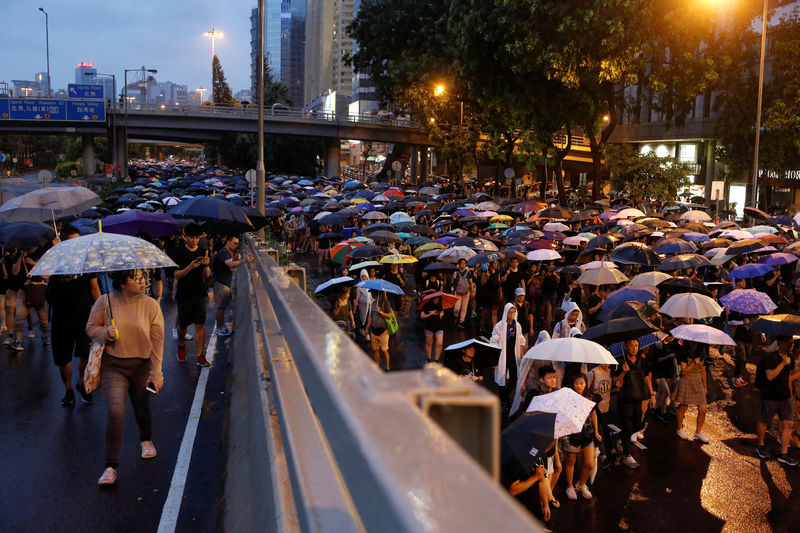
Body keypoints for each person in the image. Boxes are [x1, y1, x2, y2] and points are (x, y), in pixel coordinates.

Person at [86, 269, 164, 486]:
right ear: (122, 282)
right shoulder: (105, 301)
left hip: (142, 365)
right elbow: (91, 327)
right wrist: (105, 333)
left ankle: (146, 440)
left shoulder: (151, 305)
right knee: (115, 412)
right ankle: (110, 466)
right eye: (136, 278)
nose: (142, 282)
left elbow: (158, 341)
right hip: (114, 365)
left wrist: (156, 373)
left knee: (142, 408)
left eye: (143, 277)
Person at [47, 225, 101, 406]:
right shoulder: (54, 260)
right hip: (61, 317)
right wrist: (56, 252)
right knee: (63, 358)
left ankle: (80, 384)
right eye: (70, 241)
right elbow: (45, 277)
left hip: (85, 316)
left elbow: (94, 289)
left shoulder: (86, 261)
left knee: (85, 353)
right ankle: (68, 389)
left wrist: (103, 310)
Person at [755, 336, 799, 465]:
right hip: (771, 397)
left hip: (785, 397)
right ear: (780, 343)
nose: (791, 345)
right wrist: (783, 363)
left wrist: (790, 395)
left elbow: (789, 377)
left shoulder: (790, 359)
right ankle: (760, 445)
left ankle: (784, 453)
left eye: (792, 342)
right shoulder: (770, 358)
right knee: (764, 421)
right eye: (788, 342)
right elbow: (770, 376)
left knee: (789, 424)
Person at [613, 338, 655, 469]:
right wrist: (623, 372)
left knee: (637, 425)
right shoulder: (620, 361)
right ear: (626, 346)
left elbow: (646, 377)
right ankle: (627, 455)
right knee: (627, 426)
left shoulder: (642, 360)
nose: (634, 348)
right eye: (631, 346)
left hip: (638, 397)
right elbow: (616, 382)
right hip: (625, 398)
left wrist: (652, 394)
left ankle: (617, 435)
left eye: (636, 346)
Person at [173, 224, 211, 367]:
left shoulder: (203, 251)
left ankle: (200, 355)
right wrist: (190, 267)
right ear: (185, 237)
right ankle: (181, 344)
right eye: (192, 237)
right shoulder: (179, 252)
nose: (195, 240)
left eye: (197, 237)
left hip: (199, 293)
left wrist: (206, 265)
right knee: (183, 326)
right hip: (184, 294)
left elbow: (207, 275)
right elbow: (176, 275)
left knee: (200, 324)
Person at [563, 373, 600, 501]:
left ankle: (581, 484)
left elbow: (594, 414)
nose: (579, 386)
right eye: (576, 383)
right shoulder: (568, 398)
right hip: (572, 435)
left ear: (586, 384)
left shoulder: (590, 397)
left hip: (587, 434)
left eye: (581, 383)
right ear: (572, 385)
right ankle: (570, 486)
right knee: (570, 461)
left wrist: (596, 431)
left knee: (589, 463)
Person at [491, 303, 527, 410]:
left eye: (513, 312)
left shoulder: (517, 325)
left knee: (514, 377)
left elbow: (521, 340)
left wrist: (521, 354)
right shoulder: (499, 326)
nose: (511, 314)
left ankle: (504, 396)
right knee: (501, 378)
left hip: (513, 355)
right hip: (502, 356)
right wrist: (494, 359)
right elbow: (494, 341)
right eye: (509, 312)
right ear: (505, 313)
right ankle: (503, 401)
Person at [674, 341, 710, 443]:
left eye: (696, 343)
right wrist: (694, 363)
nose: (694, 345)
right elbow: (684, 372)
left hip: (698, 382)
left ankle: (698, 432)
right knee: (683, 407)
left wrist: (705, 387)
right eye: (692, 343)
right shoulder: (684, 354)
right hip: (687, 381)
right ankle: (679, 429)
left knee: (703, 409)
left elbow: (703, 372)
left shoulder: (702, 355)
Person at [212, 235, 247, 336]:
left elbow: (230, 265)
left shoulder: (227, 253)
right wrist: (244, 261)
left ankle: (220, 327)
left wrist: (235, 258)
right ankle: (219, 329)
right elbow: (230, 265)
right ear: (228, 242)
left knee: (221, 308)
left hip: (224, 283)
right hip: (221, 284)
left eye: (237, 243)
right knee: (220, 308)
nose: (236, 245)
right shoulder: (223, 253)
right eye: (234, 243)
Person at [366, 292, 392, 371]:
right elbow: (371, 317)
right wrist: (367, 328)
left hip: (383, 331)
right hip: (374, 330)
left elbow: (389, 316)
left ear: (379, 295)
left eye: (373, 294)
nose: (372, 295)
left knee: (384, 350)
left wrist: (380, 312)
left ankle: (387, 367)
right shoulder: (374, 303)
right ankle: (376, 367)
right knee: (375, 350)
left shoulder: (386, 303)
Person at [451, 258, 473, 328]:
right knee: (457, 308)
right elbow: (452, 283)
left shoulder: (468, 272)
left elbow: (471, 283)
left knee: (464, 308)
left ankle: (461, 321)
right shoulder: (456, 273)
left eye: (464, 263)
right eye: (461, 263)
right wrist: (453, 278)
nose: (463, 265)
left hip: (466, 292)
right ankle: (456, 317)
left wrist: (472, 292)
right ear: (459, 265)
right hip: (457, 292)